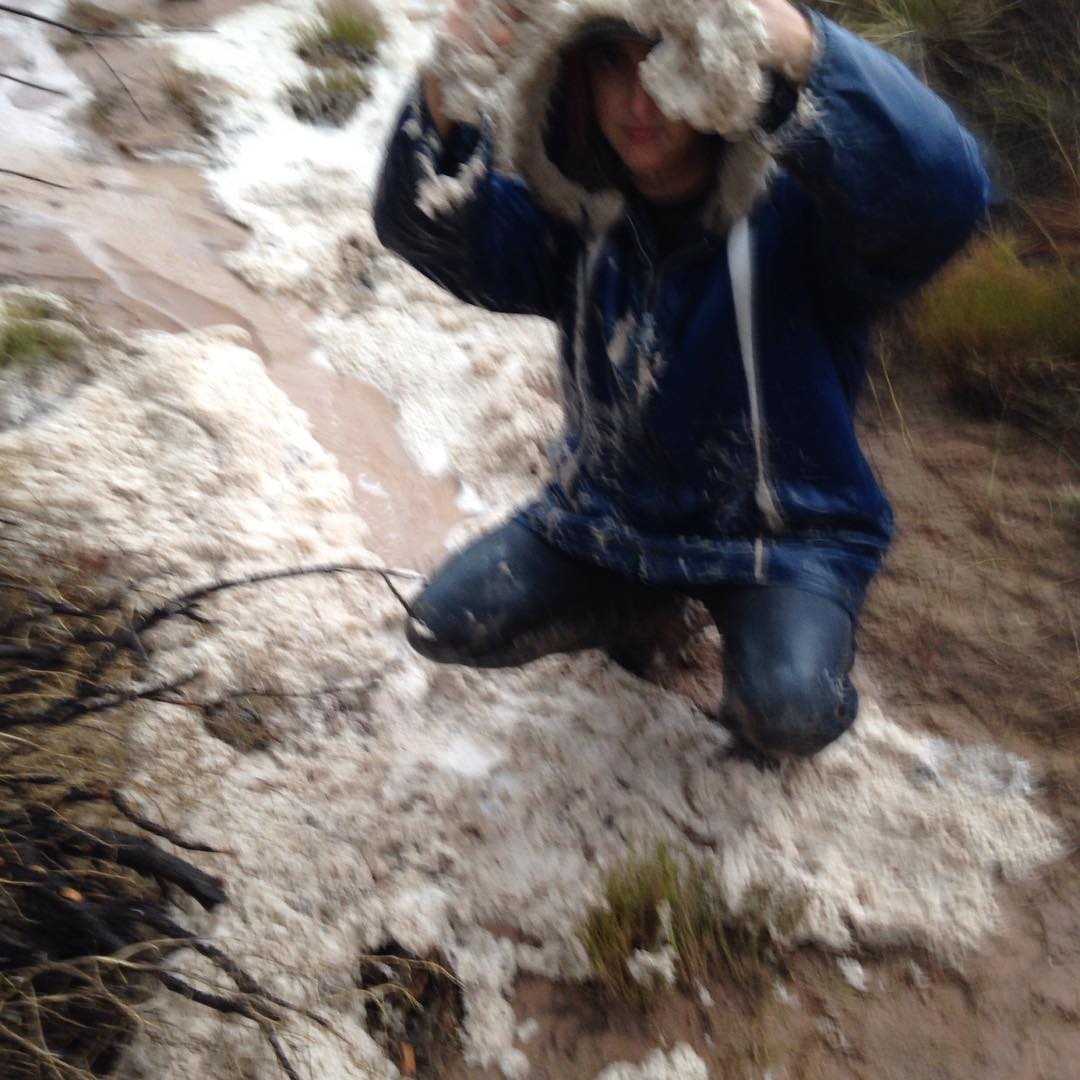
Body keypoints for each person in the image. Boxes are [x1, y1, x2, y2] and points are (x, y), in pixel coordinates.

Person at [374, 0, 991, 763]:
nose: (639, 103)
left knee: (787, 710)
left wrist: (795, 40)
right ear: (574, 77)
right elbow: (426, 226)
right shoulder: (576, 217)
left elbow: (946, 192)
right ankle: (639, 607)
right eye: (612, 63)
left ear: (716, 65)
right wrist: (446, 85)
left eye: (664, 59)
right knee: (443, 625)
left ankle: (774, 642)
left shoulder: (809, 214)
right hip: (605, 520)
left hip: (785, 539)